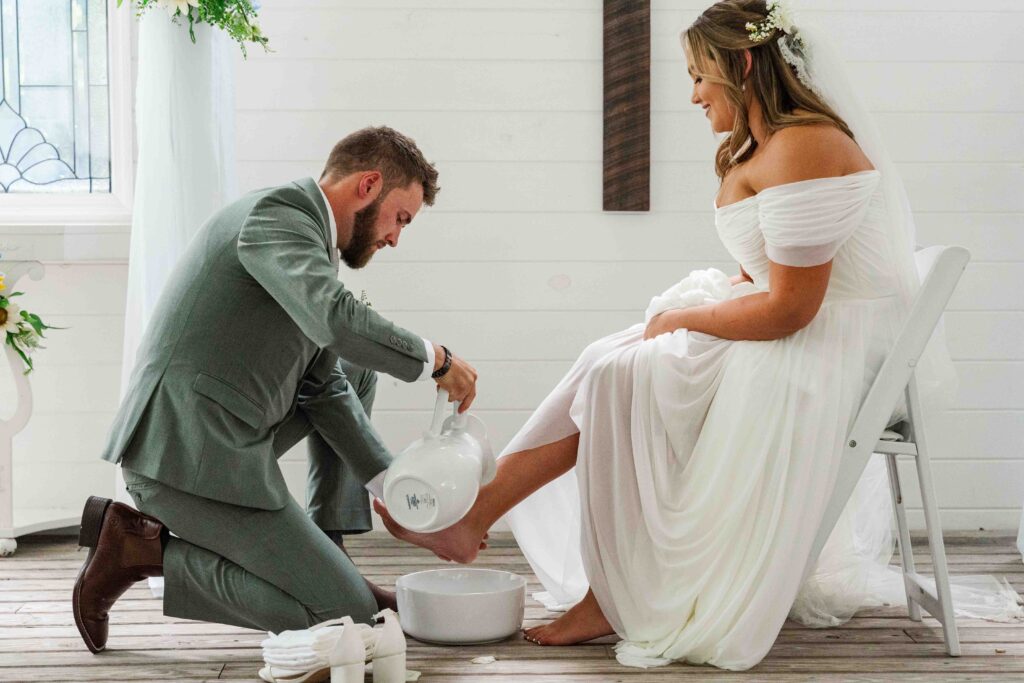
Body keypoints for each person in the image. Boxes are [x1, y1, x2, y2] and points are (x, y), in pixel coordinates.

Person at [373, 0, 935, 671]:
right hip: (794, 323)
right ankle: (481, 513)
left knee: (622, 375)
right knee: (604, 358)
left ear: (743, 63)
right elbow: (759, 274)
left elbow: (792, 309)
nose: (693, 94)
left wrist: (686, 318)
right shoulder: (766, 146)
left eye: (699, 76)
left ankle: (612, 593)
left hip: (821, 349)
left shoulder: (807, 145)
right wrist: (688, 312)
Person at [72, 126, 480, 654]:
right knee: (349, 621)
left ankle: (328, 551)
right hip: (181, 456)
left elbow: (323, 386)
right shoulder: (278, 216)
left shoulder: (310, 240)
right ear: (369, 184)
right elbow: (336, 320)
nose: (395, 238)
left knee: (353, 374)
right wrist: (436, 360)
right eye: (400, 218)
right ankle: (140, 551)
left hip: (226, 433)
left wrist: (401, 502)